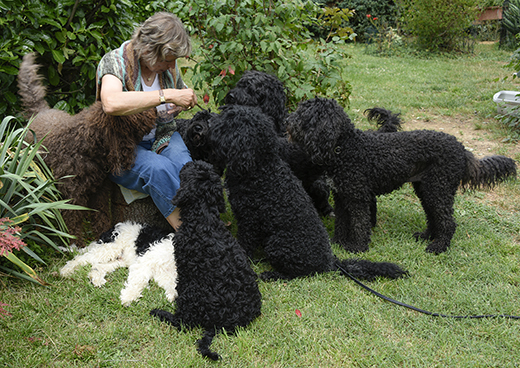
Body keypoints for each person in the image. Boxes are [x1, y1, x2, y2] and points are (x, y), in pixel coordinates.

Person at [96, 12, 197, 231]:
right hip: (121, 146)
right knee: (158, 169)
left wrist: (183, 101)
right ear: (150, 50)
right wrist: (165, 95)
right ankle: (192, 234)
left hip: (163, 135)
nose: (172, 66)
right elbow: (111, 103)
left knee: (186, 168)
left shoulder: (168, 67)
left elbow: (179, 93)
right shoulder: (115, 62)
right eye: (169, 60)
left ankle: (206, 222)